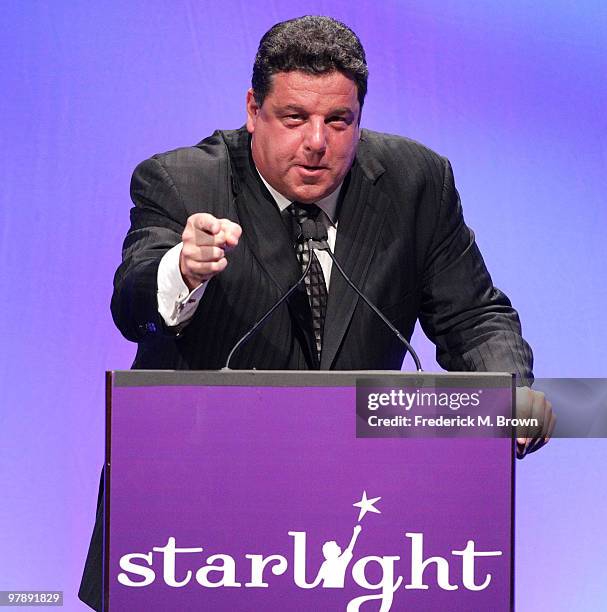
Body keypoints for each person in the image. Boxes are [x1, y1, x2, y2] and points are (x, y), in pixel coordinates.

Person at [79, 15, 554, 610]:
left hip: (355, 522)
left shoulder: (416, 183)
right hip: (195, 514)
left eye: (339, 121)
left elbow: (474, 316)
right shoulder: (182, 181)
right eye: (295, 117)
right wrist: (183, 268)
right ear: (254, 109)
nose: (316, 142)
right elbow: (133, 308)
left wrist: (504, 396)